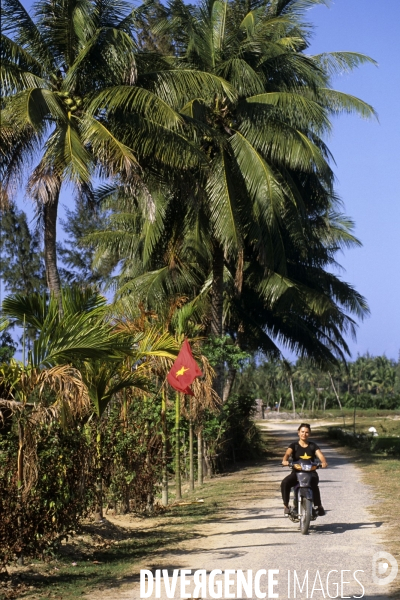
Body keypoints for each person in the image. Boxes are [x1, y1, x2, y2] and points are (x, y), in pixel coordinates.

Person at [281, 423, 328, 516]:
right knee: (285, 483)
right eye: (302, 432)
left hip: (311, 473)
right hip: (297, 473)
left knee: (314, 485)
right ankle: (286, 506)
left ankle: (318, 506)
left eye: (307, 432)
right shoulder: (294, 445)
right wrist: (285, 461)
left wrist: (323, 462)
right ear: (298, 433)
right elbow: (287, 454)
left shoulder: (313, 446)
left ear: (309, 434)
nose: (304, 434)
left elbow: (320, 455)